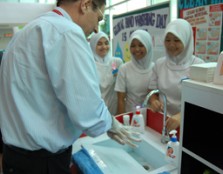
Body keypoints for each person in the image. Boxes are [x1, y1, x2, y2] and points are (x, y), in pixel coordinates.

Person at [0, 1, 140, 174]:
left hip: (14, 157)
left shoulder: (24, 34)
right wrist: (110, 123)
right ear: (86, 5)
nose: (97, 29)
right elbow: (86, 109)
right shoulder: (66, 32)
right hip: (43, 163)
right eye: (99, 18)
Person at [148, 18, 205, 132]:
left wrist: (181, 115)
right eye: (167, 40)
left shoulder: (199, 65)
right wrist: (153, 101)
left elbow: (202, 101)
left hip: (188, 122)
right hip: (162, 120)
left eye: (177, 40)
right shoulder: (159, 64)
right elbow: (152, 92)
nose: (171, 45)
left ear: (186, 40)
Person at [115, 29, 154, 114]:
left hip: (150, 116)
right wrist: (121, 122)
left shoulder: (155, 68)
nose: (137, 49)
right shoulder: (124, 68)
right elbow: (121, 99)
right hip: (130, 116)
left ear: (148, 46)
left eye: (141, 45)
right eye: (133, 46)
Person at [90, 31, 123, 115]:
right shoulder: (89, 64)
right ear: (93, 46)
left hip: (113, 107)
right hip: (96, 109)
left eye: (106, 43)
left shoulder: (115, 62)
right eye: (99, 44)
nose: (104, 47)